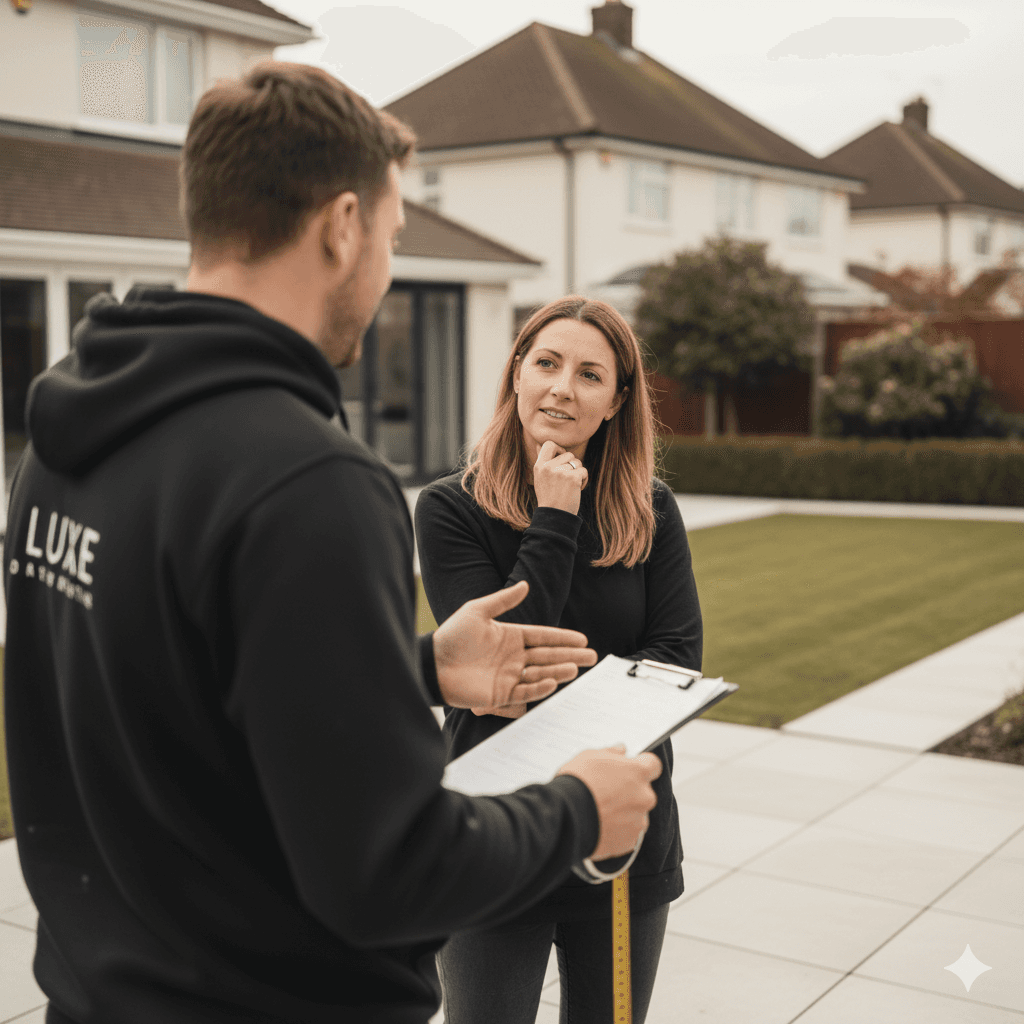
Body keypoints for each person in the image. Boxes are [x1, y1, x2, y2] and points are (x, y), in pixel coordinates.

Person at [2, 64, 666, 1024]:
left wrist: (420, 666)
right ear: (343, 225)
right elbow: (387, 871)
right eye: (394, 238)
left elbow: (174, 691)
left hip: (98, 991)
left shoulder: (66, 431)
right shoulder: (309, 481)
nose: (388, 269)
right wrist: (577, 806)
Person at [415, 296, 704, 1024]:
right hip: (495, 831)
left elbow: (676, 660)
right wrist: (555, 516)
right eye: (545, 363)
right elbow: (502, 663)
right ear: (515, 374)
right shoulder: (451, 509)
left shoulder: (653, 510)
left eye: (588, 374)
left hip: (622, 830)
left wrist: (542, 698)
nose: (561, 387)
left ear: (616, 401)